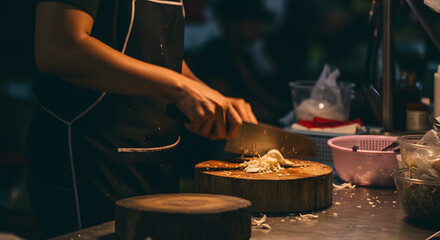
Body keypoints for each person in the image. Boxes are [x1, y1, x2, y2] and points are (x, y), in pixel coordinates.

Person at [25, 0, 257, 238]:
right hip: (90, 163)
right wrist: (180, 88)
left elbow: (159, 51)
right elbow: (59, 48)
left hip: (158, 159)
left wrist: (208, 96)